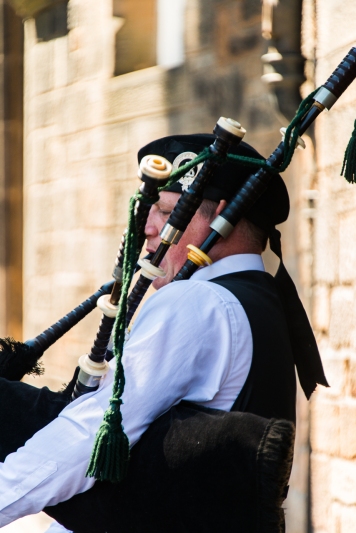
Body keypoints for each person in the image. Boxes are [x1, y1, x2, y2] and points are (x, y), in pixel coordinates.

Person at [0, 134, 327, 532]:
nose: (150, 229)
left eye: (166, 211)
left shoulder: (198, 301)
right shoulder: (258, 298)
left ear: (218, 217)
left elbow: (95, 433)